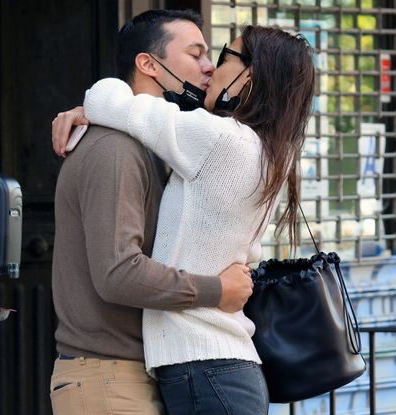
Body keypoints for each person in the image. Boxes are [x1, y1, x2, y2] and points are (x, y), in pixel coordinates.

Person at [53, 25, 316, 415]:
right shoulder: (261, 148)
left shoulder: (218, 140)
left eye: (224, 56)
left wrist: (88, 107)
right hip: (213, 367)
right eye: (199, 55)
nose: (211, 68)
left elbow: (107, 97)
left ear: (252, 75)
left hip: (206, 365)